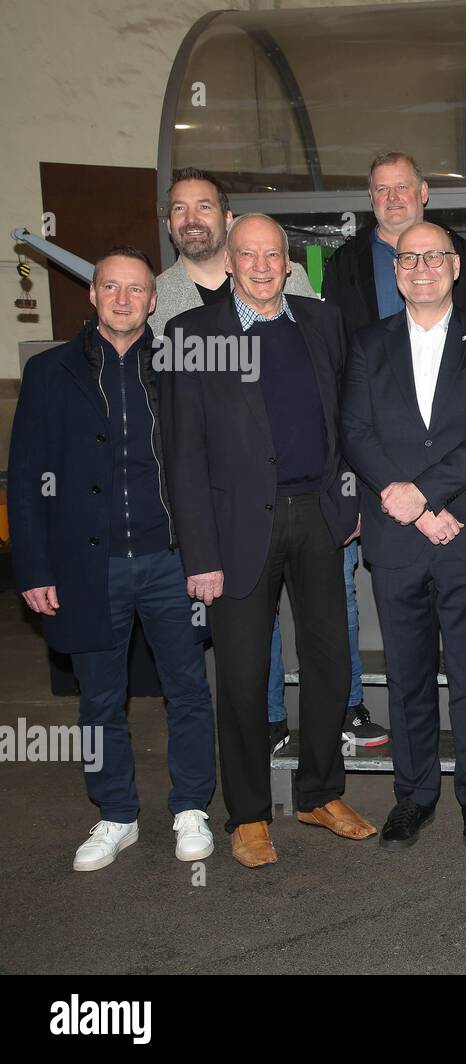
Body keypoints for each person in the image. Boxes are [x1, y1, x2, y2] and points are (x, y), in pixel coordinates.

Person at [161, 214, 373, 868]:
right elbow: (183, 455)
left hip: (318, 515)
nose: (259, 265)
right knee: (245, 677)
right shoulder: (190, 334)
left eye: (271, 254)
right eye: (246, 254)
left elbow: (346, 418)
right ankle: (247, 814)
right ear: (231, 261)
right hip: (235, 530)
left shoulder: (322, 323)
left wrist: (349, 500)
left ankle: (319, 792)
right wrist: (199, 555)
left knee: (331, 661)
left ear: (290, 263)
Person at [10, 246, 216, 871]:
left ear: (154, 301)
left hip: (169, 560)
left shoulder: (181, 366)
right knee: (100, 700)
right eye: (111, 288)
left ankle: (190, 807)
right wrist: (36, 568)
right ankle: (116, 814)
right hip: (88, 568)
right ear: (93, 295)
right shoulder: (51, 372)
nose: (123, 299)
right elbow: (25, 479)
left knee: (186, 690)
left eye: (135, 289)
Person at [341, 222, 466, 852]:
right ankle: (412, 797)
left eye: (434, 257)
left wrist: (429, 494)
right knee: (408, 673)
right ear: (396, 270)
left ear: (455, 267)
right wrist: (411, 506)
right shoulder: (367, 343)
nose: (421, 267)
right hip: (396, 533)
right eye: (409, 258)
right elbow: (356, 431)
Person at [323, 151, 466, 342]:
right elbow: (333, 335)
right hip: (368, 371)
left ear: (423, 192)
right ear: (371, 197)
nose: (392, 197)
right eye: (382, 189)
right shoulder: (345, 262)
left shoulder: (458, 252)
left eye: (401, 187)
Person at [149, 168, 317, 333]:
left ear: (227, 218)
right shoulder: (153, 297)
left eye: (204, 207)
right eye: (179, 208)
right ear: (170, 225)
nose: (191, 219)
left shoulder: (288, 278)